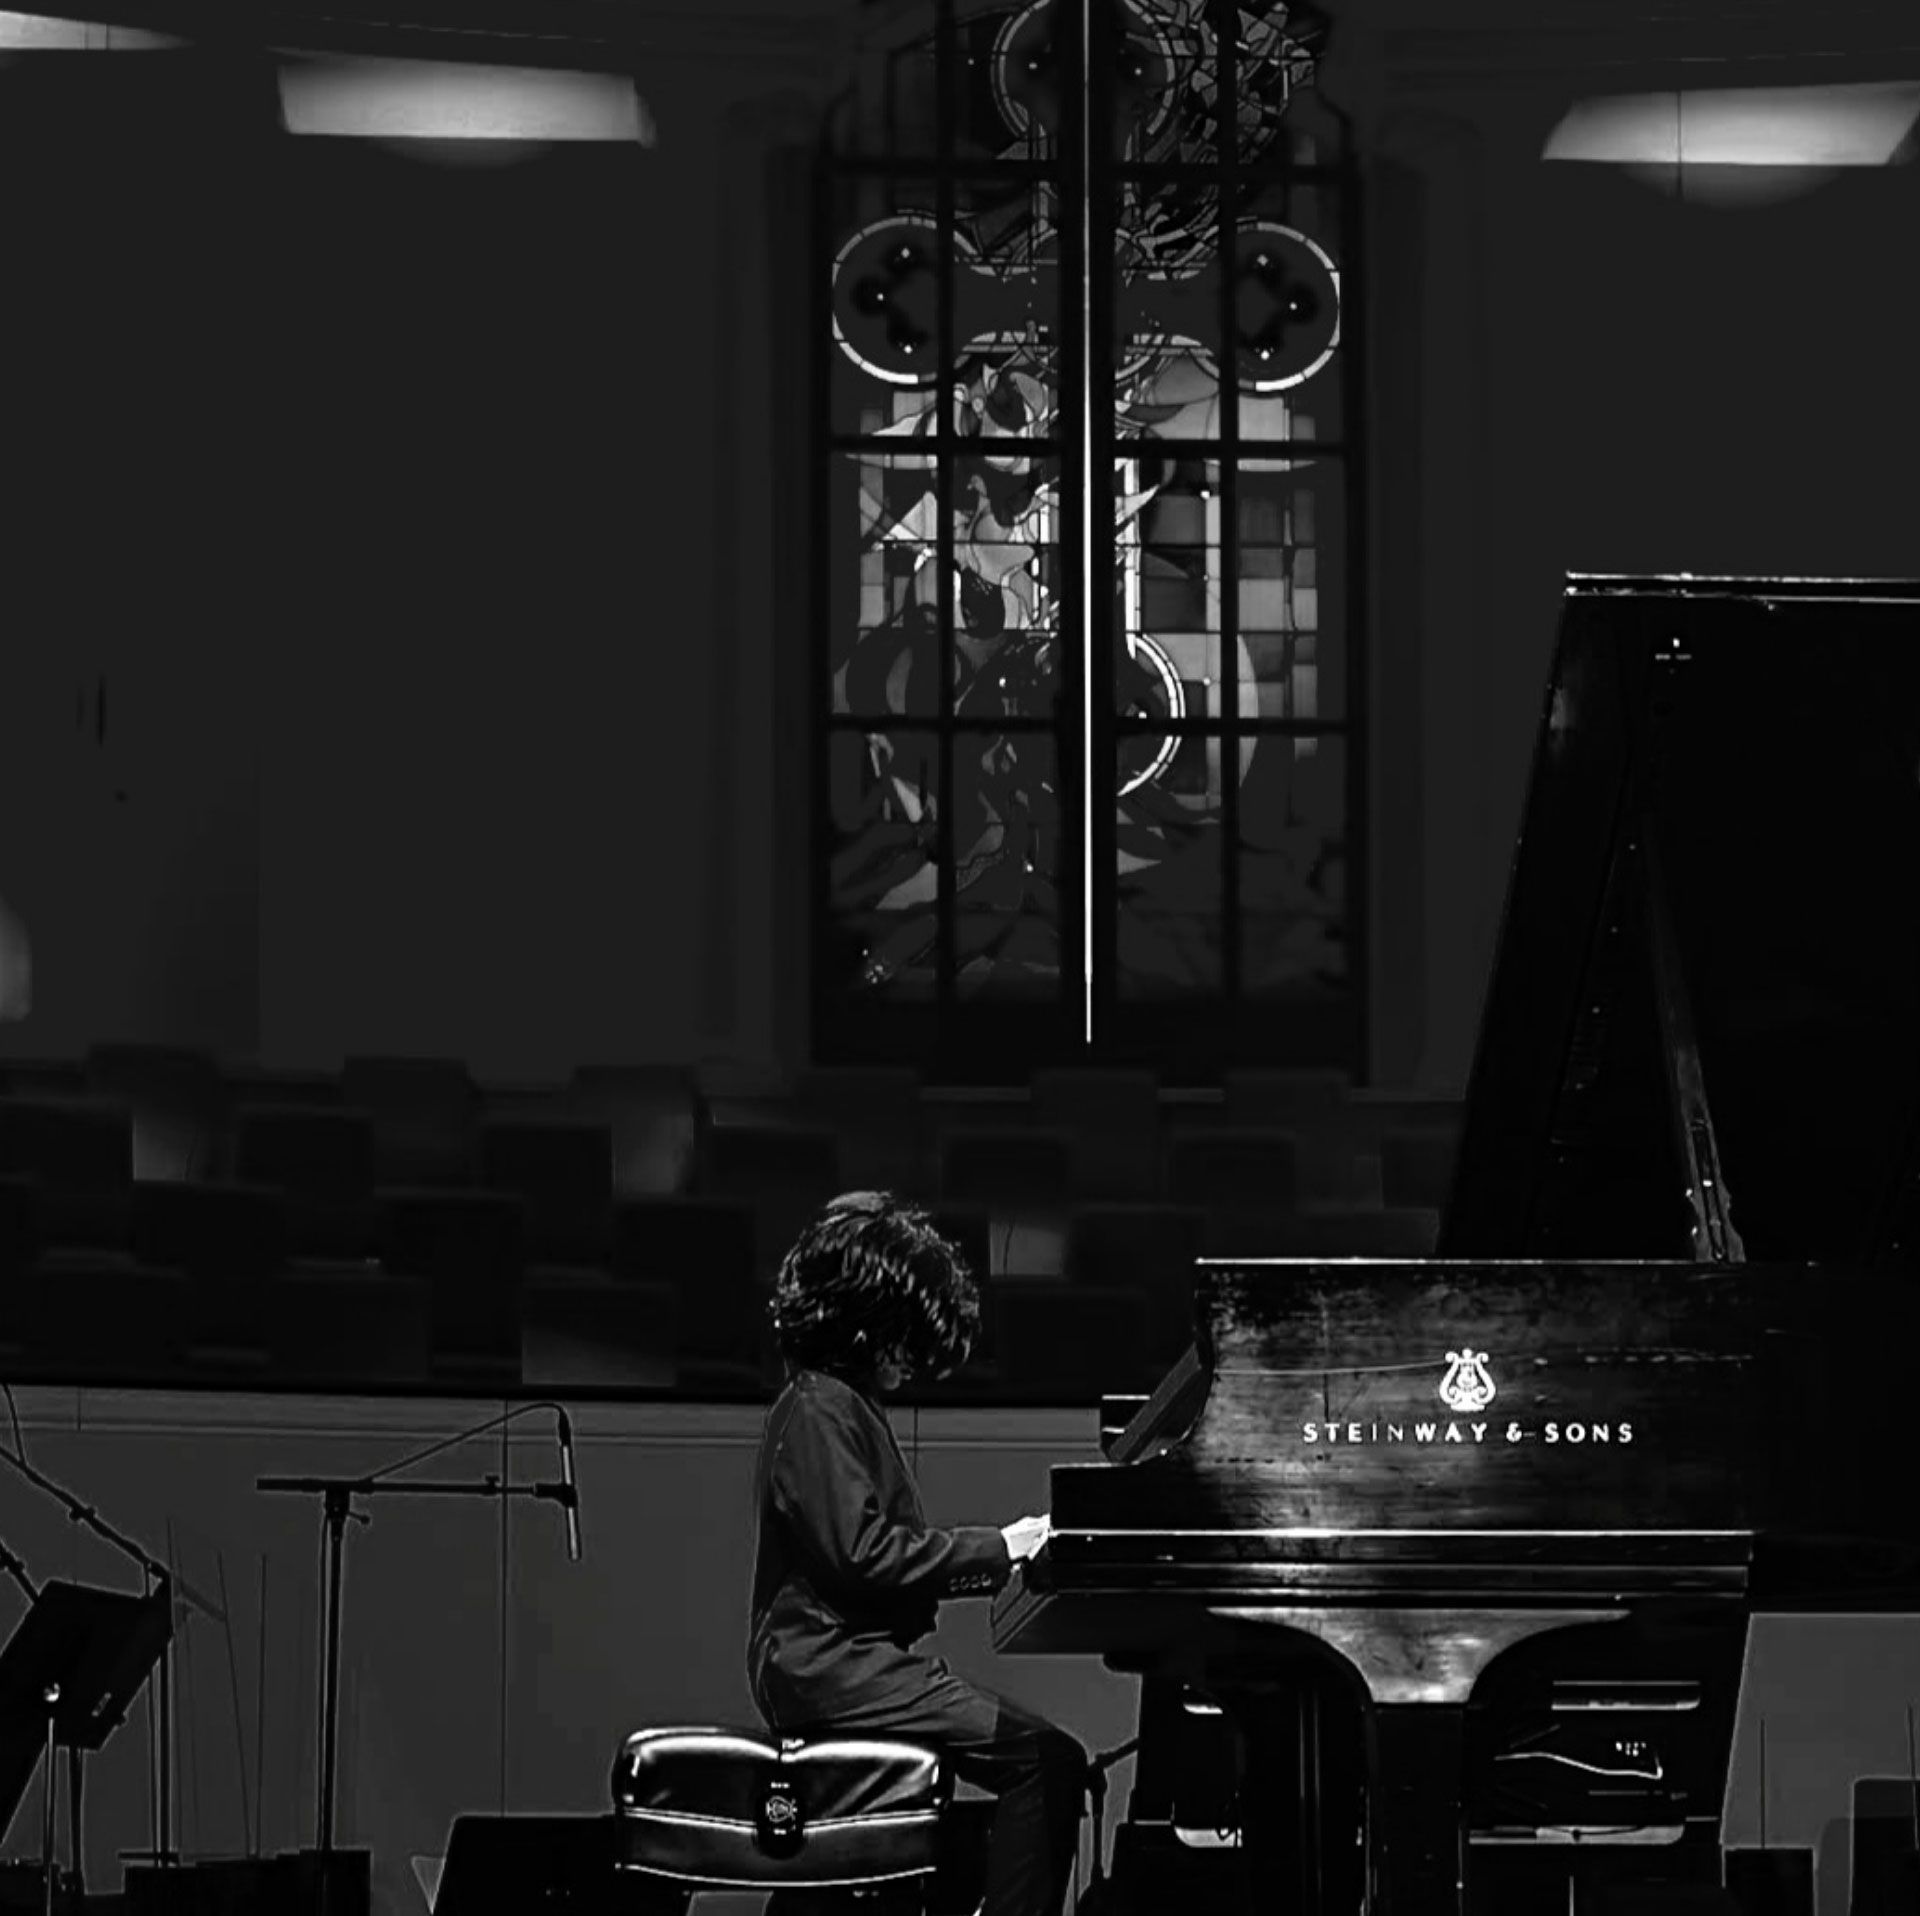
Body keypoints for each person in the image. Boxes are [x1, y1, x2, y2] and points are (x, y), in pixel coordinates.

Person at [747, 1191, 1087, 1916]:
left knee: (1043, 1759)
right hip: (832, 1670)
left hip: (847, 1666)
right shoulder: (818, 1405)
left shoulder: (834, 1403)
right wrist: (1002, 1547)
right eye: (904, 1338)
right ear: (864, 1321)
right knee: (1046, 1762)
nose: (914, 1360)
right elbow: (863, 1553)